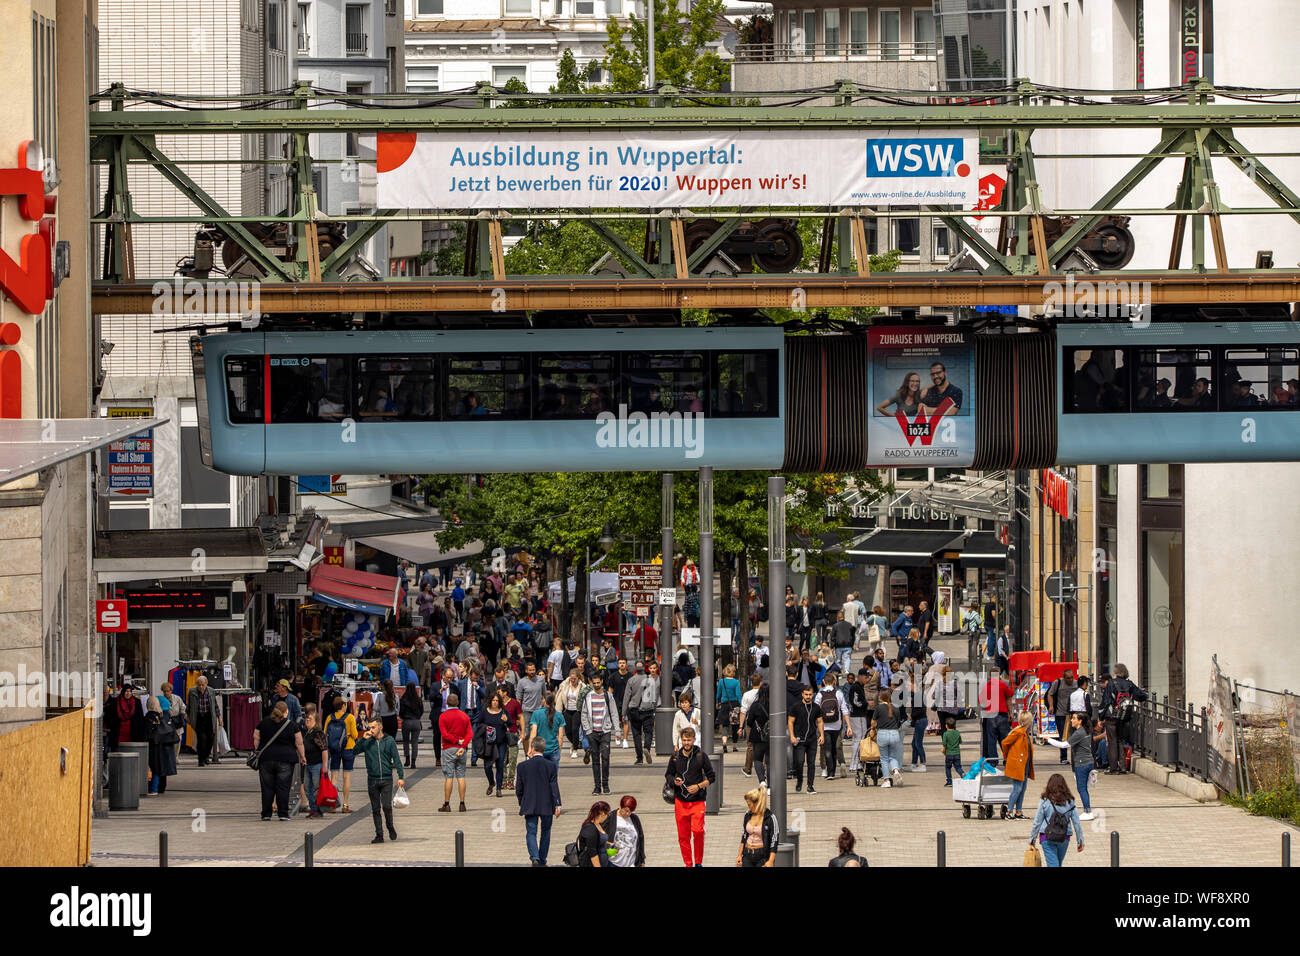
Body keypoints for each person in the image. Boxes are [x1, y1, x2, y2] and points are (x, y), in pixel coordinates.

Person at [665, 726, 716, 867]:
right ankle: (688, 864)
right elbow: (668, 774)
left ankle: (698, 862)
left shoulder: (701, 756)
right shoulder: (675, 757)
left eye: (689, 740)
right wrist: (673, 781)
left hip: (698, 800)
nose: (686, 743)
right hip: (680, 801)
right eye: (684, 740)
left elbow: (712, 777)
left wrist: (699, 786)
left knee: (698, 831)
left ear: (694, 739)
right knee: (683, 836)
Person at [352, 716, 405, 843]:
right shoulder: (367, 741)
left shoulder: (389, 740)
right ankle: (379, 835)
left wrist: (401, 776)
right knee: (375, 809)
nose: (371, 730)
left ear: (380, 726)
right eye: (369, 727)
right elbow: (354, 751)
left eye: (373, 727)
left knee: (386, 806)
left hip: (386, 778)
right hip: (372, 779)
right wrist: (362, 740)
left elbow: (396, 759)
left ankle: (390, 826)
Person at [252, 701, 305, 822]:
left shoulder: (263, 722)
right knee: (283, 787)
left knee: (267, 787)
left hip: (266, 759)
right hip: (285, 760)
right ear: (286, 712)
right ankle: (283, 813)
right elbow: (299, 742)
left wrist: (258, 750)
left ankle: (266, 813)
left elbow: (256, 737)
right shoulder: (291, 725)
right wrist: (303, 756)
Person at [516, 735, 563, 866]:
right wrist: (558, 804)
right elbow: (554, 786)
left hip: (529, 803)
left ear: (532, 748)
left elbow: (519, 788)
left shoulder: (522, 766)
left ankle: (534, 857)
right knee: (546, 832)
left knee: (531, 832)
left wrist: (521, 801)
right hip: (547, 804)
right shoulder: (551, 766)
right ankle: (542, 860)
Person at [1027, 773, 1085, 867]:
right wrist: (1080, 840)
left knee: (1053, 864)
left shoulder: (1045, 800)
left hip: (1046, 836)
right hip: (1064, 836)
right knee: (1057, 864)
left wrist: (1032, 838)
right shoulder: (1070, 801)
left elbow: (1037, 821)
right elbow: (1076, 823)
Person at [1101, 662, 1148, 774]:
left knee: (1112, 742)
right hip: (1123, 717)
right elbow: (1140, 696)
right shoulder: (1129, 684)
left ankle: (1113, 768)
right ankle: (1122, 767)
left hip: (1111, 717)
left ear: (1116, 672)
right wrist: (1146, 694)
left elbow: (1106, 701)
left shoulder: (1111, 684)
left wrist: (1101, 716)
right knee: (1120, 740)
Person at [580, 671, 620, 795]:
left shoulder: (608, 696)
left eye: (598, 682)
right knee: (595, 759)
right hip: (593, 732)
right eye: (594, 683)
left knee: (606, 757)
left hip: (605, 730)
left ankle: (605, 784)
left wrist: (617, 730)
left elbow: (614, 713)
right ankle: (597, 787)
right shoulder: (588, 696)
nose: (596, 685)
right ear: (591, 682)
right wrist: (588, 730)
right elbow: (584, 714)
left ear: (602, 682)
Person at [438, 692, 472, 812]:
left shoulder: (443, 716)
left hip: (449, 748)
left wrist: (456, 740)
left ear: (446, 703)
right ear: (458, 703)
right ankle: (462, 803)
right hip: (461, 749)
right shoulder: (464, 716)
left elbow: (445, 734)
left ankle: (446, 804)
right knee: (461, 776)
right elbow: (470, 734)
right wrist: (463, 745)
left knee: (449, 777)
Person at [323, 697, 359, 813]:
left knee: (334, 776)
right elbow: (355, 734)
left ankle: (333, 803)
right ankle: (345, 804)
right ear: (343, 705)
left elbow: (324, 733)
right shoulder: (350, 717)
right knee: (346, 776)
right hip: (348, 748)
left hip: (334, 749)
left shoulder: (329, 717)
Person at [788, 685, 824, 794]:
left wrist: (821, 735)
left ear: (813, 695)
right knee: (799, 762)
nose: (808, 696)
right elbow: (790, 721)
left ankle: (810, 786)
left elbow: (820, 721)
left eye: (810, 694)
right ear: (802, 694)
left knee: (811, 763)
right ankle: (799, 780)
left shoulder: (816, 707)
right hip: (799, 739)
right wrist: (792, 736)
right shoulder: (796, 707)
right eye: (806, 694)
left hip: (812, 739)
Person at [622, 661, 659, 765]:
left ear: (635, 668)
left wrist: (623, 713)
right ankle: (646, 747)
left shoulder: (631, 680)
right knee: (648, 732)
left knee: (636, 734)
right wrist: (654, 708)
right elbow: (654, 696)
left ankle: (639, 758)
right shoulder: (650, 680)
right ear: (644, 668)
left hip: (634, 710)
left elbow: (626, 697)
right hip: (647, 710)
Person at [1000, 711, 1036, 820]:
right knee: (1017, 788)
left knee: (1022, 788)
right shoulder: (1019, 732)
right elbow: (1005, 743)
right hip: (1018, 765)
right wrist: (1008, 756)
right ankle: (1009, 811)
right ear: (1029, 722)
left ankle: (1019, 812)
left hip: (1024, 766)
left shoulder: (1025, 733)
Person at [814, 672, 850, 780]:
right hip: (837, 725)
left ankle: (830, 772)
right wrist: (848, 726)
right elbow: (844, 710)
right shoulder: (838, 693)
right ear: (834, 682)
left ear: (824, 682)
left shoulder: (820, 695)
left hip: (824, 726)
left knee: (827, 749)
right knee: (835, 748)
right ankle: (833, 770)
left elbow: (815, 710)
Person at [474, 689, 509, 798]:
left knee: (500, 765)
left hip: (501, 742)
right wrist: (485, 727)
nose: (495, 702)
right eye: (493, 700)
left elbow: (511, 723)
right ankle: (491, 783)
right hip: (489, 743)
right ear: (490, 701)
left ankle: (499, 788)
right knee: (487, 766)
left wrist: (506, 720)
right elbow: (479, 724)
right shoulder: (485, 712)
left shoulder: (503, 711)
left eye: (497, 701)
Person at [735, 786, 779, 867]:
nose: (748, 806)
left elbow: (774, 840)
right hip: (747, 854)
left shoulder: (770, 818)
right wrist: (739, 855)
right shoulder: (747, 815)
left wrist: (770, 861)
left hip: (762, 856)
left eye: (749, 804)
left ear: (756, 804)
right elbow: (744, 835)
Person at [185, 675, 222, 766]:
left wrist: (219, 717)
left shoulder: (211, 691)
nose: (200, 686)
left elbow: (215, 706)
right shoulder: (192, 691)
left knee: (210, 738)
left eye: (202, 684)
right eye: (199, 684)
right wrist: (188, 717)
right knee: (201, 739)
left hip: (209, 717)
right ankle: (201, 759)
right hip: (198, 717)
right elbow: (188, 706)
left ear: (206, 683)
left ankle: (206, 757)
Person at [144, 695, 178, 795]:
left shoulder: (149, 716)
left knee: (153, 768)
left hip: (153, 745)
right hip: (163, 745)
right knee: (160, 768)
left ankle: (153, 788)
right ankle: (160, 788)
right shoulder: (162, 715)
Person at [979, 669, 1013, 766]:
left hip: (990, 715)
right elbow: (1010, 694)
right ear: (998, 675)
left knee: (991, 740)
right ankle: (1007, 759)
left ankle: (993, 761)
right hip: (1002, 715)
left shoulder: (986, 686)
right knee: (1005, 739)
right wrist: (1010, 713)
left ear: (990, 676)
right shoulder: (1002, 685)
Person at [871, 690, 904, 787]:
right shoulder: (896, 708)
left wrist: (873, 729)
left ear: (881, 698)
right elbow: (898, 722)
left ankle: (887, 780)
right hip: (894, 734)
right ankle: (896, 771)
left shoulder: (879, 708)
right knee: (893, 756)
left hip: (883, 734)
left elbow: (873, 722)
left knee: (884, 759)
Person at [604, 795, 646, 868]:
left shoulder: (634, 818)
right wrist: (609, 847)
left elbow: (641, 838)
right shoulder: (610, 818)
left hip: (632, 863)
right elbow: (601, 837)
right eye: (626, 810)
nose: (628, 814)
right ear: (620, 806)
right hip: (613, 862)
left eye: (631, 811)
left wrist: (642, 859)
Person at [1048, 669, 1079, 764]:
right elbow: (1050, 694)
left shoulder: (1076, 683)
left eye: (1072, 677)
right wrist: (1051, 706)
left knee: (1075, 735)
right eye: (1068, 678)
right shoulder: (1058, 683)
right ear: (1064, 678)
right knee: (1063, 736)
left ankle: (1076, 757)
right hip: (1061, 714)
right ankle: (1064, 758)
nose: (1070, 680)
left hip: (1073, 714)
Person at [556, 666, 587, 760]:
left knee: (575, 729)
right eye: (571, 678)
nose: (572, 680)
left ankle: (575, 749)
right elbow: (559, 698)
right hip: (567, 710)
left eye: (574, 679)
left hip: (577, 711)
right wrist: (558, 712)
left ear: (578, 678)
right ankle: (574, 742)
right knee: (568, 731)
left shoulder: (582, 686)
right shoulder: (564, 685)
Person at [528, 692, 567, 768]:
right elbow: (561, 736)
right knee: (553, 776)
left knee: (540, 776)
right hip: (554, 749)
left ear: (544, 701)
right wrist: (559, 749)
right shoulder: (559, 715)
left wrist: (530, 748)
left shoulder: (536, 714)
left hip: (539, 749)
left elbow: (533, 734)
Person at [299, 710, 325, 817]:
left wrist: (325, 765)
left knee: (316, 788)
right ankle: (313, 808)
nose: (307, 720)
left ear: (316, 721)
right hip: (307, 764)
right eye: (306, 719)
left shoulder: (317, 733)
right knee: (307, 788)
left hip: (316, 764)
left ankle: (318, 809)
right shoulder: (306, 733)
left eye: (310, 719)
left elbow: (324, 749)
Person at [716, 664, 743, 753]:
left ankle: (724, 742)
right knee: (735, 726)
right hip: (734, 705)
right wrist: (740, 704)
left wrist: (717, 702)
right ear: (733, 672)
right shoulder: (736, 682)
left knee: (725, 725)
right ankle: (734, 746)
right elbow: (738, 694)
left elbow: (719, 693)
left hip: (724, 704)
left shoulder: (721, 681)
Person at [577, 801, 611, 867]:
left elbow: (605, 844)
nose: (607, 816)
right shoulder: (590, 829)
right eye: (607, 814)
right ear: (602, 813)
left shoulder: (598, 825)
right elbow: (593, 854)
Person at [398, 681, 424, 767]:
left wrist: (403, 717)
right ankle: (413, 761)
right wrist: (417, 717)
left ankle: (407, 759)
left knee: (405, 741)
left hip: (406, 721)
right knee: (414, 742)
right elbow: (422, 711)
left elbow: (400, 712)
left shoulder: (403, 699)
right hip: (416, 722)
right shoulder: (418, 699)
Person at [828, 610, 855, 675]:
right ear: (844, 617)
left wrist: (832, 646)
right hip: (848, 644)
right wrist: (852, 644)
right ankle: (847, 670)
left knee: (838, 659)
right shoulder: (849, 624)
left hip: (838, 645)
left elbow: (832, 636)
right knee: (847, 658)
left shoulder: (835, 625)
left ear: (837, 617)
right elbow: (853, 635)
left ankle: (839, 672)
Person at [941, 717, 963, 787]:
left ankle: (949, 781)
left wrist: (944, 752)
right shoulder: (957, 732)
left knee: (948, 768)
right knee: (958, 767)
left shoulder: (945, 734)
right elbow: (960, 741)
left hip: (949, 754)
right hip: (957, 753)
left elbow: (944, 745)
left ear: (946, 725)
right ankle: (963, 775)